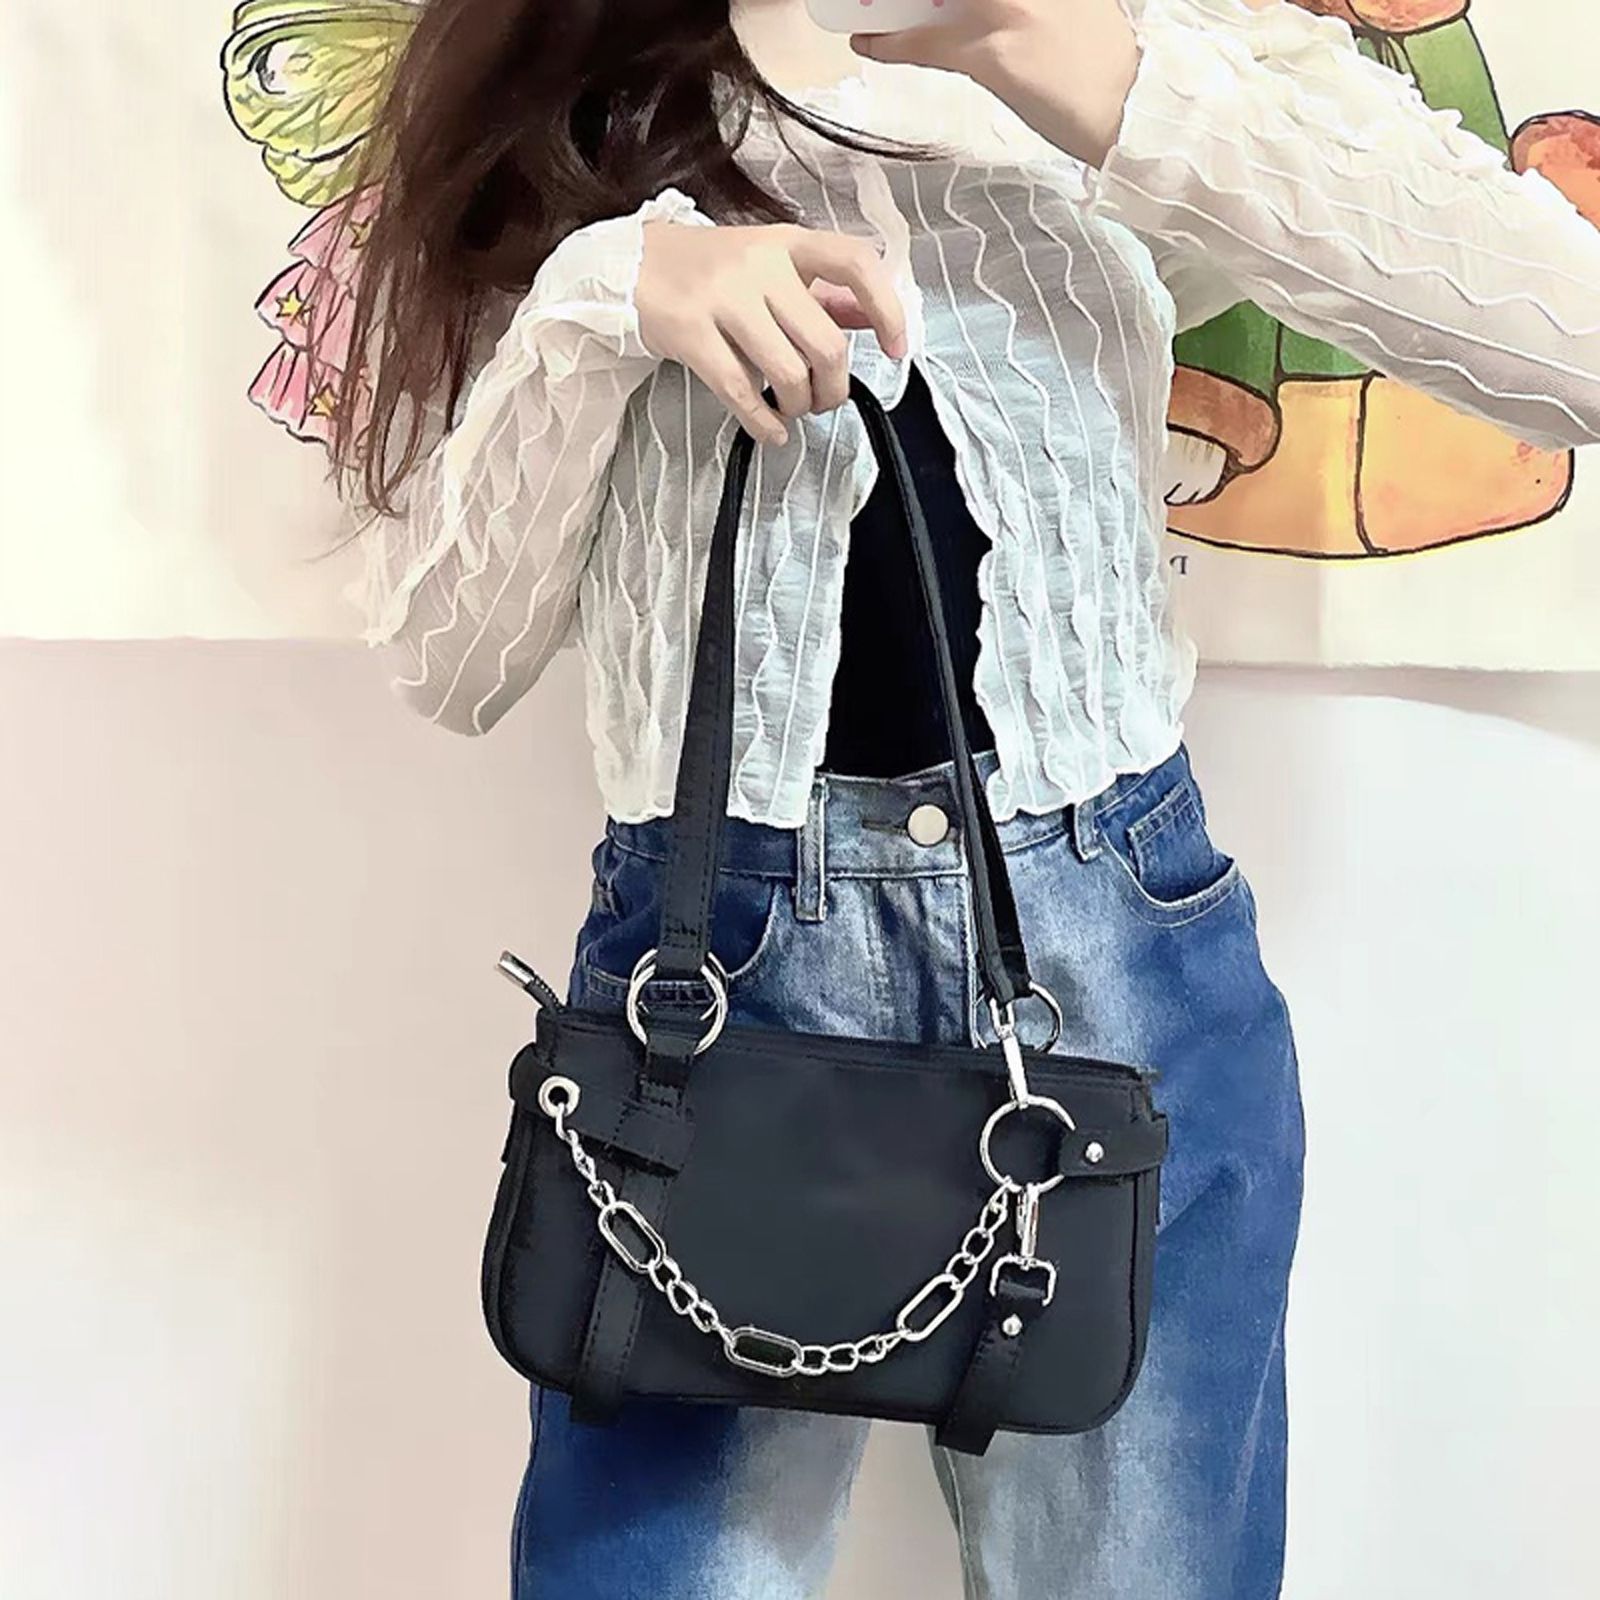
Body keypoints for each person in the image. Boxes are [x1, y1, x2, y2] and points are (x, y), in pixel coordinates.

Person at [297, 0, 1600, 1594]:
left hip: (1113, 949)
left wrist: (1105, 76)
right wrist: (612, 296)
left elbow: (1574, 347)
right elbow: (450, 659)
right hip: (711, 980)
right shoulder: (589, 90)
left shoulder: (1153, 41)